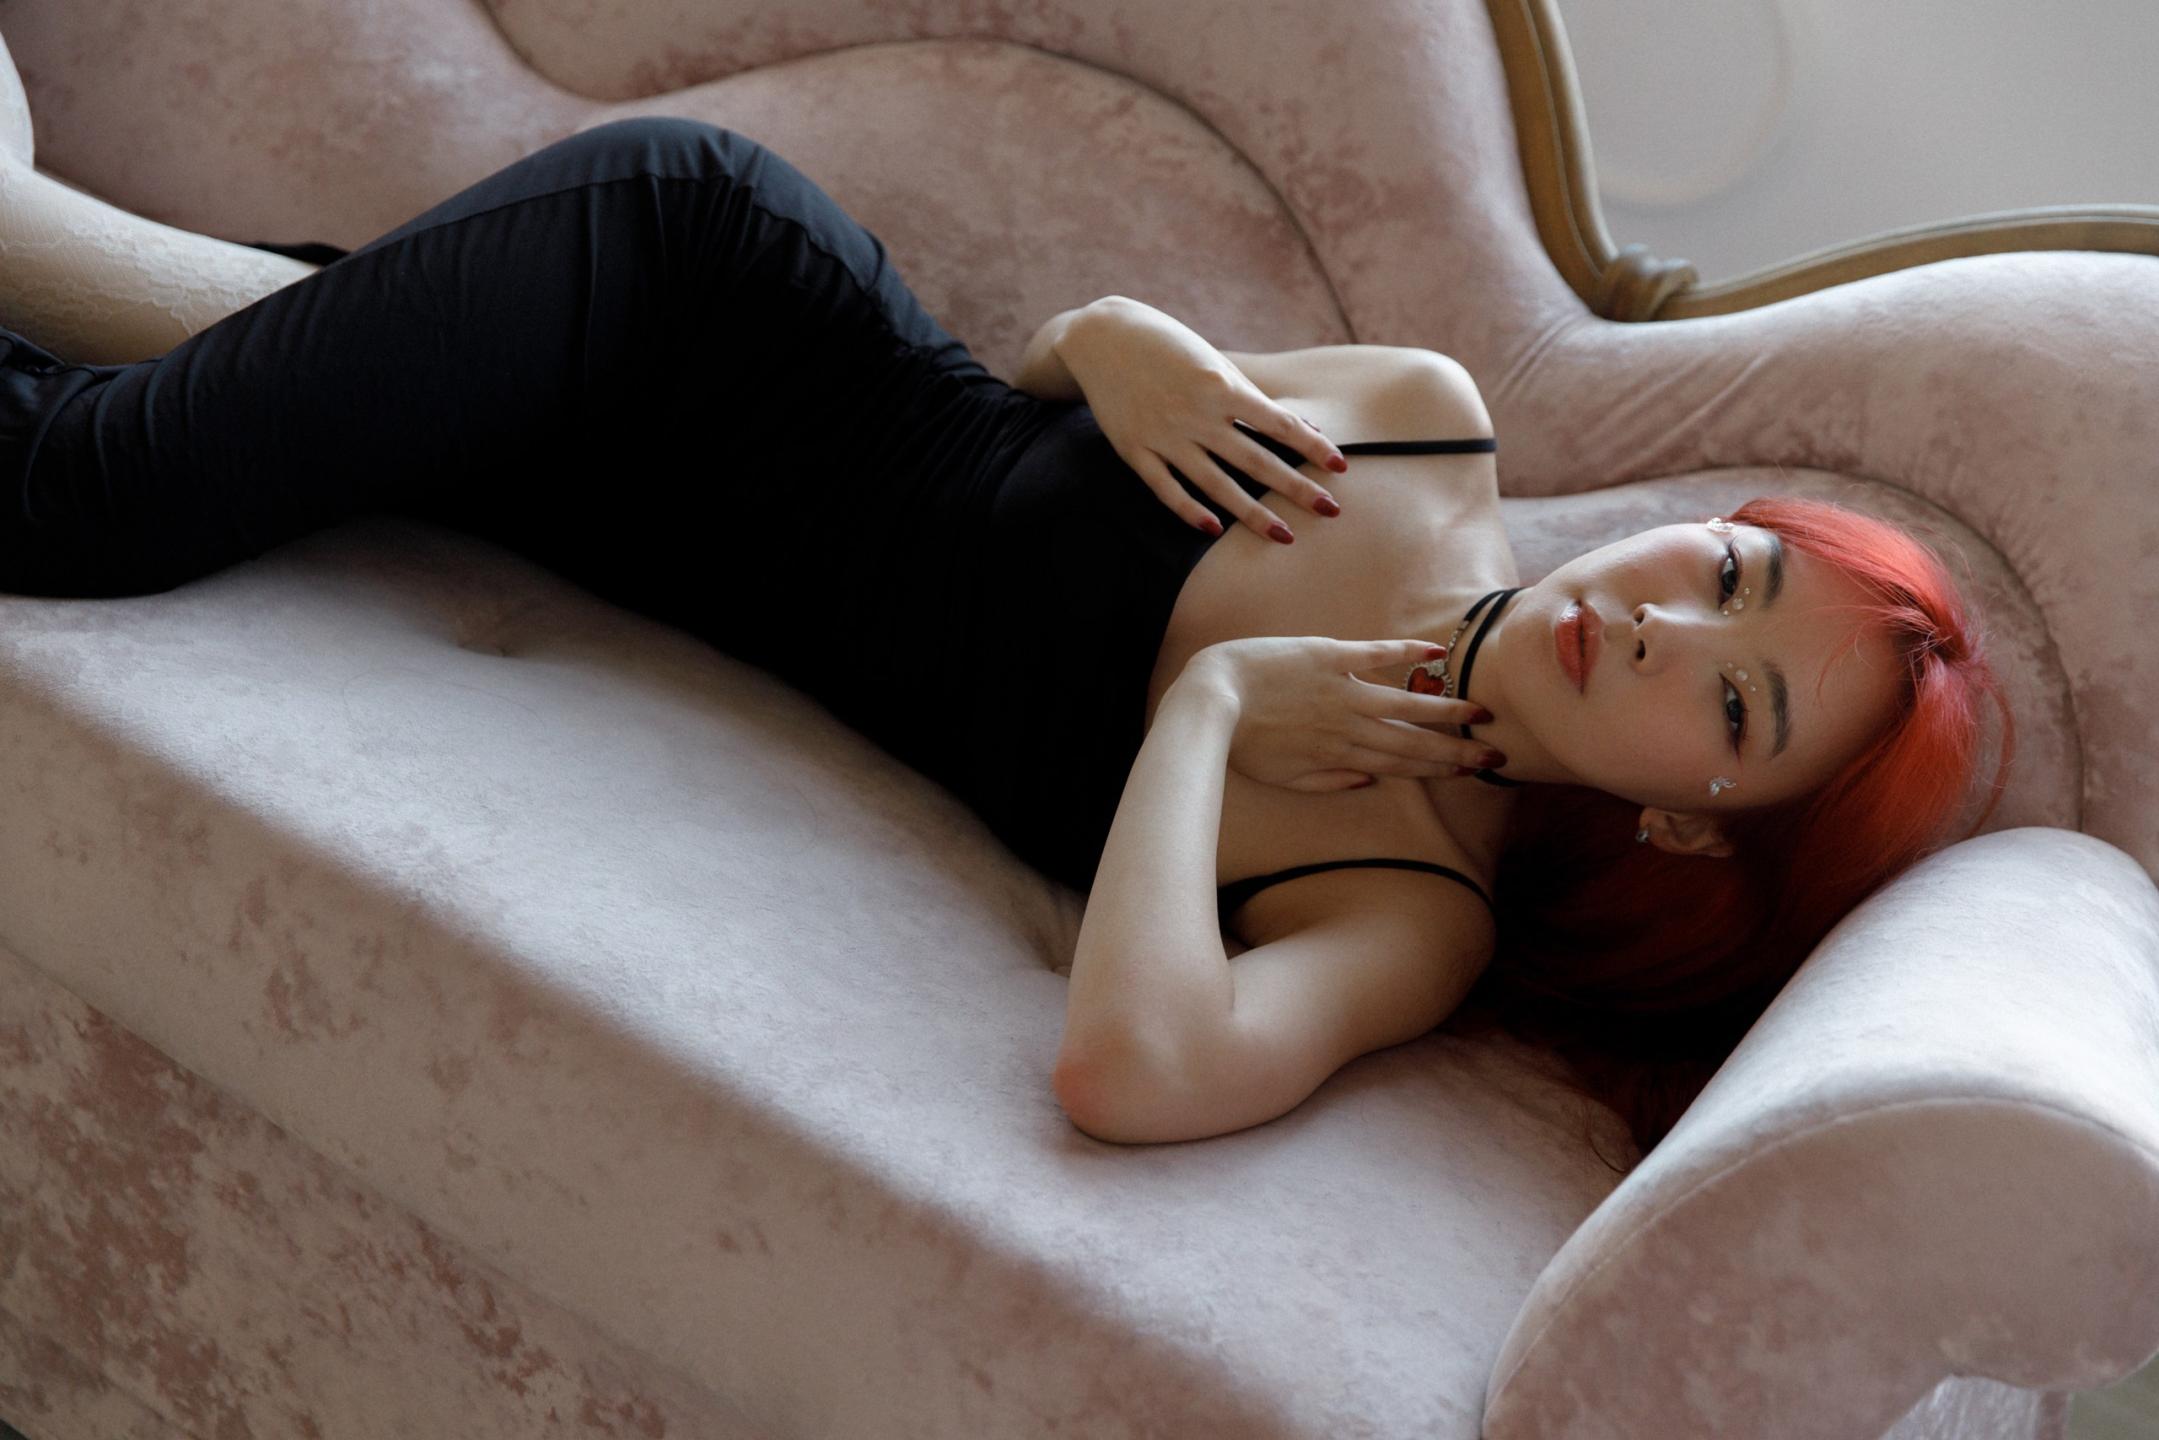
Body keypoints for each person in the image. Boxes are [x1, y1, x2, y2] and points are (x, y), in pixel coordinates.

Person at [0, 117, 2011, 1161]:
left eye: (1732, 697)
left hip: (616, 519)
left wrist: (1215, 709)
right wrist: (1114, 340)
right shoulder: (1419, 425)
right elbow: (1010, 393)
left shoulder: (1408, 905)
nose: (1658, 619)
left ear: (1691, 825)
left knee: (151, 382)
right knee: (97, 496)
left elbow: (1129, 1074)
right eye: (1723, 570)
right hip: (703, 295)